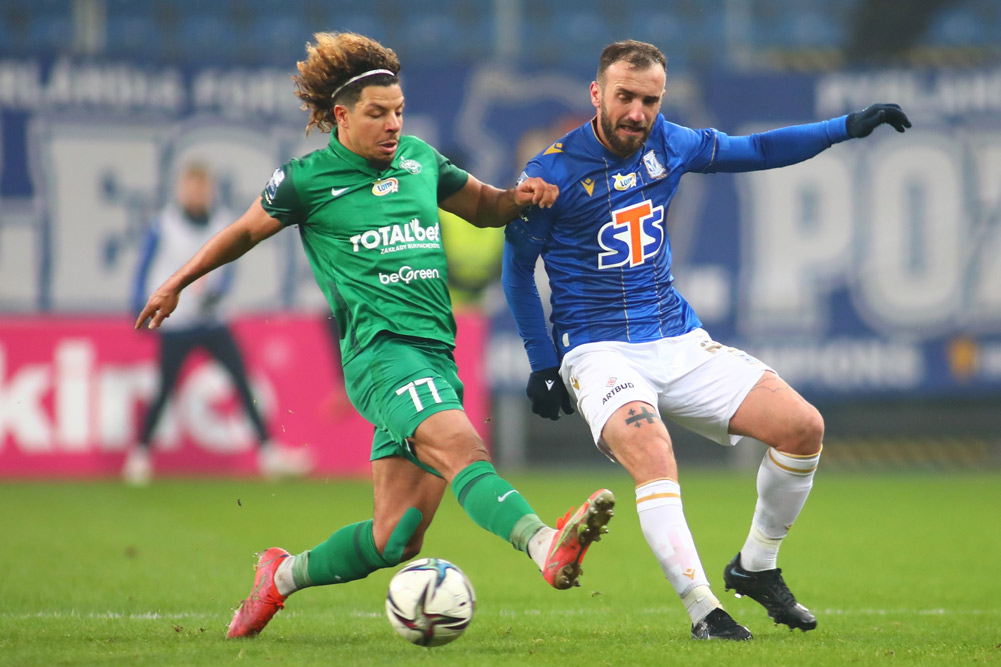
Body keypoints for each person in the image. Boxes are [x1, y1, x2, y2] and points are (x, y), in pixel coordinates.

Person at [133, 32, 616, 639]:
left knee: (396, 538)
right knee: (464, 448)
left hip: (436, 354)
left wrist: (522, 199)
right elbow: (242, 233)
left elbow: (486, 208)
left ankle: (278, 577)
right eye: (377, 114)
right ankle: (545, 544)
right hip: (379, 355)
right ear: (341, 116)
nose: (393, 125)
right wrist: (178, 280)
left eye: (399, 112)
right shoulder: (307, 180)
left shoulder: (419, 160)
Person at [502, 40, 911, 641]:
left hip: (677, 335)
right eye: (625, 97)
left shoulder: (670, 142)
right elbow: (515, 273)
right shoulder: (551, 172)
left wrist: (846, 126)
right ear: (596, 94)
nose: (638, 112)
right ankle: (704, 610)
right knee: (654, 452)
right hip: (598, 350)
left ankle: (755, 567)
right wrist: (543, 364)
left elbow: (760, 149)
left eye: (650, 99)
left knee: (803, 428)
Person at [124, 163, 313, 485]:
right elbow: (144, 266)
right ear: (181, 191)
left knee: (242, 381)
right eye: (192, 188)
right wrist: (138, 306)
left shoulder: (223, 220)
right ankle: (140, 455)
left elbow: (230, 267)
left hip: (213, 321)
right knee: (164, 388)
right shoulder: (165, 224)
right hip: (177, 321)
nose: (197, 195)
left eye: (202, 188)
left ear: (209, 190)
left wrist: (218, 292)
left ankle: (269, 453)